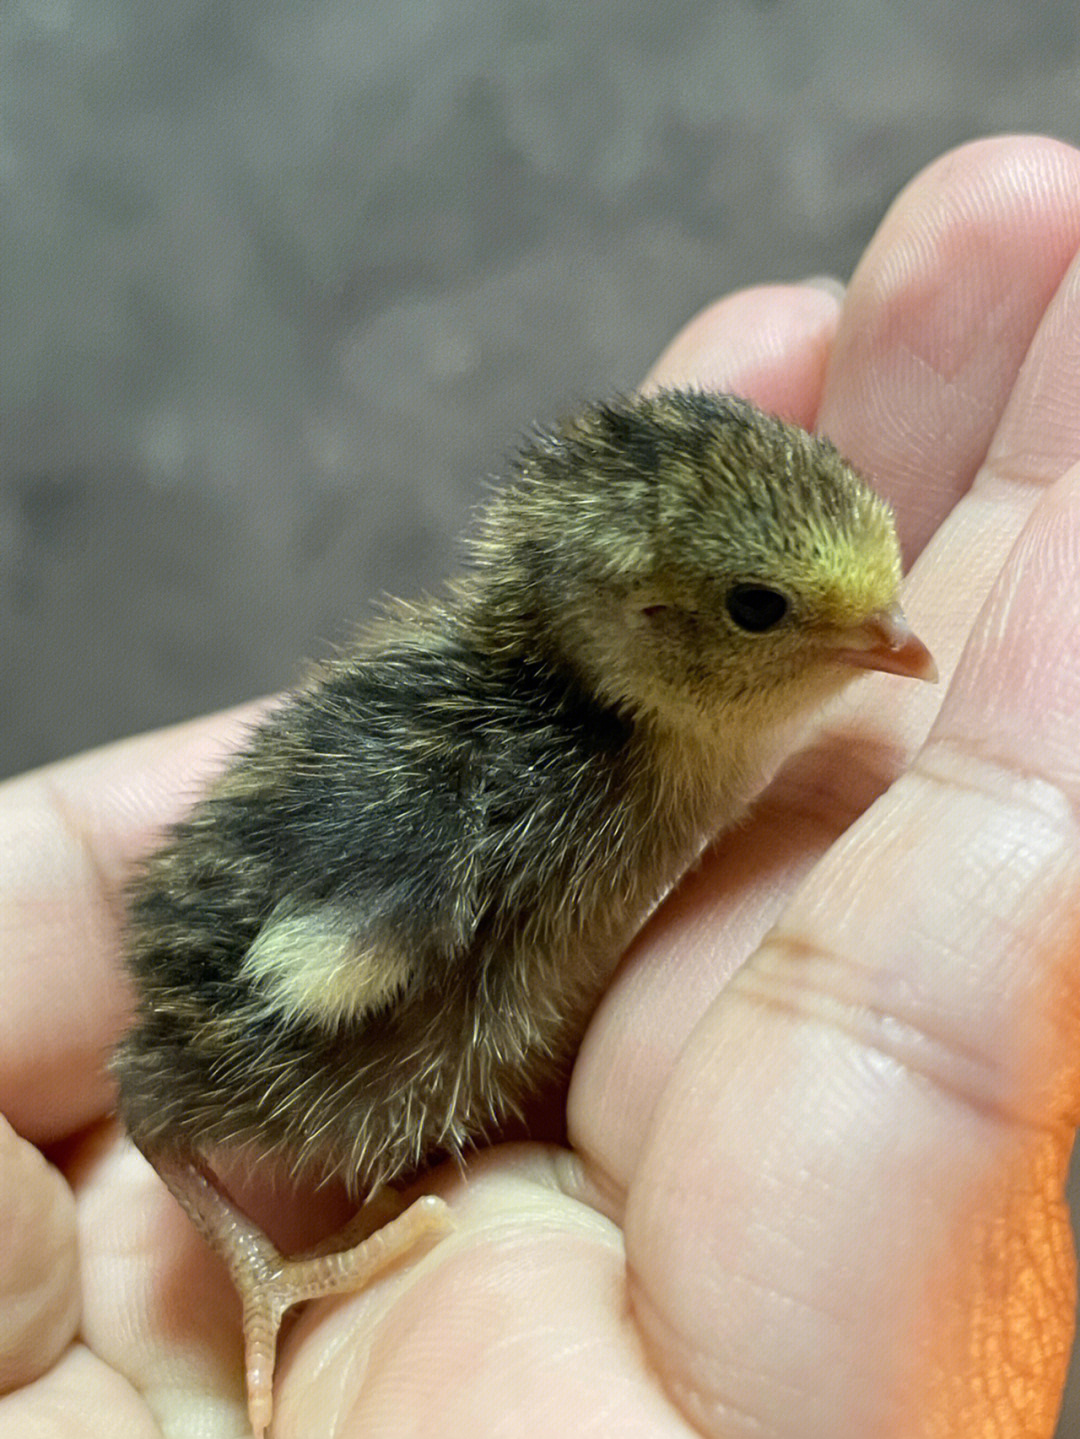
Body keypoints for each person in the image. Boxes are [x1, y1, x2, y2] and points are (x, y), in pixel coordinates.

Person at [1, 133, 1078, 1438]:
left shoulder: (621, 737)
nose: (898, 643)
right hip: (298, 968)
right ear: (638, 621)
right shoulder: (503, 800)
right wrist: (261, 1266)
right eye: (759, 611)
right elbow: (192, 1059)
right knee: (305, 982)